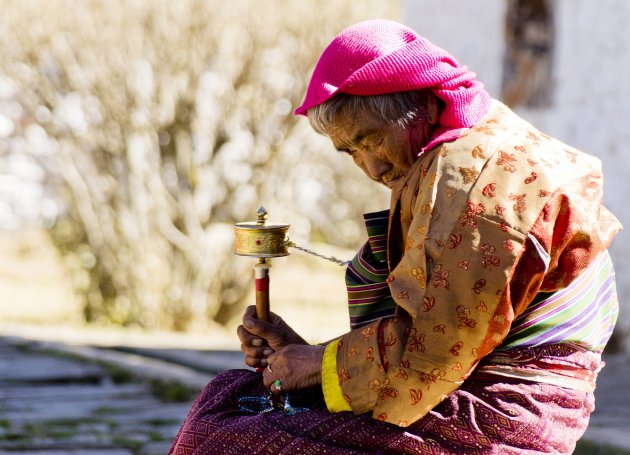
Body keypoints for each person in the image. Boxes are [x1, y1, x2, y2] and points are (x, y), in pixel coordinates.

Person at [169, 19, 621, 454]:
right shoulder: (463, 145)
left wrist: (318, 365)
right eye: (351, 151)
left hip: (497, 416)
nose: (372, 169)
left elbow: (432, 355)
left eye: (371, 140)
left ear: (422, 105)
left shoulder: (475, 183)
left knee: (222, 440)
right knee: (229, 394)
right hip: (463, 387)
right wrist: (304, 355)